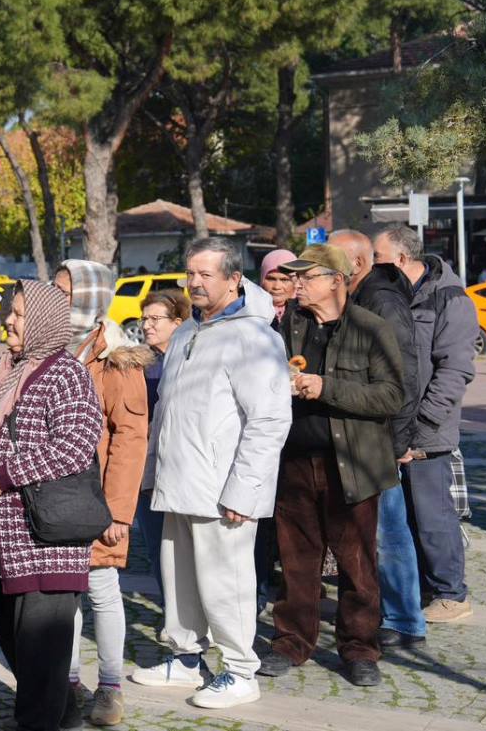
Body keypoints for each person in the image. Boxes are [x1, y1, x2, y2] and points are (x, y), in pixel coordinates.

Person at [130, 237, 290, 709]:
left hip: (223, 489)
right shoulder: (186, 332)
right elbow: (167, 409)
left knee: (227, 584)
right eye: (191, 273)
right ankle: (185, 658)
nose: (195, 282)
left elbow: (269, 420)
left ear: (234, 279)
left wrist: (244, 489)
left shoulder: (255, 337)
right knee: (179, 580)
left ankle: (240, 671)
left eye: (206, 274)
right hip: (178, 479)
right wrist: (152, 470)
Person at [0, 281, 104, 731]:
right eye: (10, 312)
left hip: (46, 539)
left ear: (41, 320)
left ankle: (38, 721)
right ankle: (63, 711)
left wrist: (1, 476)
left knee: (41, 647)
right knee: (8, 629)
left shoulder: (67, 374)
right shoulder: (0, 370)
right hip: (0, 538)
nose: (9, 321)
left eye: (18, 313)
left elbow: (74, 446)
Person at [259, 245, 404, 688]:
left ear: (336, 281)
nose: (297, 284)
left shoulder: (370, 328)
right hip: (294, 462)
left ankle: (359, 649)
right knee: (296, 561)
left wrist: (326, 387)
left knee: (356, 564)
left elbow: (391, 396)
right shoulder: (288, 326)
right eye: (295, 277)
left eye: (307, 277)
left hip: (352, 464)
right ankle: (291, 642)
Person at [54, 261, 153, 729]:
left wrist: (117, 511)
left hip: (96, 501)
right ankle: (69, 682)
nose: (56, 299)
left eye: (65, 292)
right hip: (52, 499)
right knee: (62, 594)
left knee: (101, 588)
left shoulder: (117, 359)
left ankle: (110, 686)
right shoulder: (48, 349)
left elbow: (130, 439)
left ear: (90, 298)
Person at [374, 225, 479, 623]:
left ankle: (451, 594)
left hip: (427, 429)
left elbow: (455, 370)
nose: (374, 267)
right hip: (394, 424)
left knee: (433, 514)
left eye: (379, 259)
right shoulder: (392, 295)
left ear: (402, 259)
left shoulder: (449, 298)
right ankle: (419, 589)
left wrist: (423, 424)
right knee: (404, 516)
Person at [329, 228, 426, 649]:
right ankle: (388, 612)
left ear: (356, 263)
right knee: (371, 532)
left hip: (380, 440)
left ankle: (404, 620)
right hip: (362, 436)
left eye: (331, 259)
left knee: (388, 531)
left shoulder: (381, 301)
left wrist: (397, 442)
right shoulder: (359, 296)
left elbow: (404, 375)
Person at [136, 289, 190, 601]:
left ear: (177, 323)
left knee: (186, 548)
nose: (146, 325)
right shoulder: (138, 363)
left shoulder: (191, 361)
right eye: (144, 319)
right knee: (156, 546)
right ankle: (172, 610)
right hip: (146, 466)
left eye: (155, 319)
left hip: (182, 466)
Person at [254, 247, 297, 613]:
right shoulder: (252, 314)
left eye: (286, 278)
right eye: (272, 277)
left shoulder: (304, 315)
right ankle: (260, 581)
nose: (279, 285)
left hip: (298, 426)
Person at [260, 249, 298, 324]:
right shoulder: (247, 311)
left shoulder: (307, 316)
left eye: (284, 280)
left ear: (295, 282)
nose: (277, 287)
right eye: (271, 279)